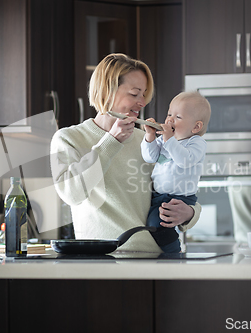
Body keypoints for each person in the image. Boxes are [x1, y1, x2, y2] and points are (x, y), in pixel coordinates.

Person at [50, 53, 201, 252]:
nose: (142, 102)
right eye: (134, 93)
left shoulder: (146, 141)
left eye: (144, 94)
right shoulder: (68, 138)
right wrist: (111, 142)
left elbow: (178, 184)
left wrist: (190, 213)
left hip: (155, 258)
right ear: (108, 91)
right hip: (103, 261)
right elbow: (72, 194)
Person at [141, 91, 211, 252]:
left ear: (196, 126)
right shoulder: (164, 139)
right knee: (154, 225)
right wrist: (150, 136)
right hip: (158, 196)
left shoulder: (196, 142)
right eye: (169, 114)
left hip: (181, 198)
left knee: (157, 225)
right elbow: (149, 157)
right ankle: (171, 251)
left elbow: (185, 161)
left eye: (178, 117)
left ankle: (173, 253)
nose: (170, 120)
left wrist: (169, 139)